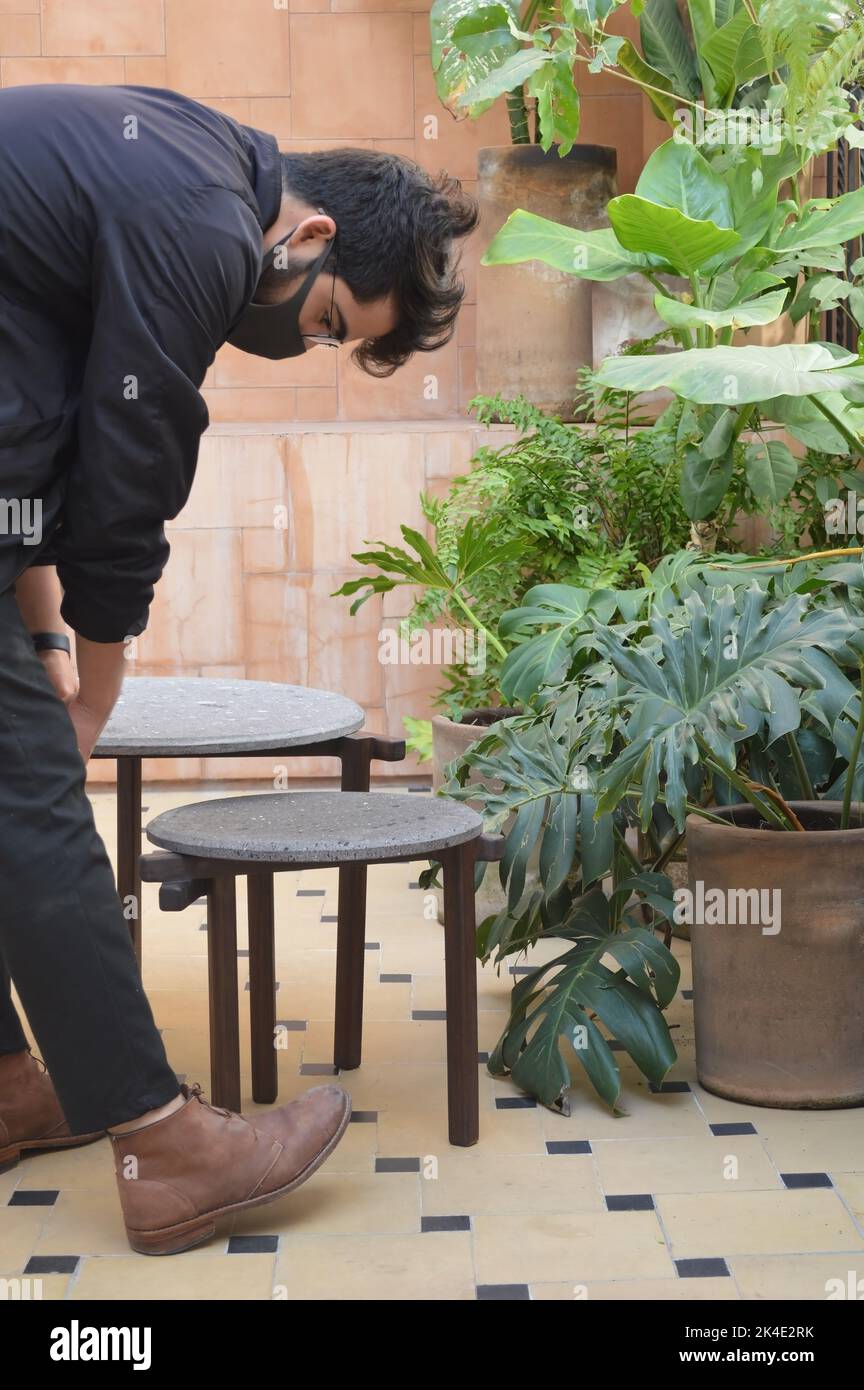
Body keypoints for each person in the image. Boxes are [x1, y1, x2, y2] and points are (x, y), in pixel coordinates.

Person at [0, 82, 478, 1256]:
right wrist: (96, 691)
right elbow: (131, 456)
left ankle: (12, 1082)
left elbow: (28, 416)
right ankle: (165, 1147)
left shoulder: (187, 153)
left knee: (13, 787)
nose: (300, 342)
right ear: (311, 235)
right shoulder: (203, 217)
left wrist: (51, 635)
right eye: (328, 323)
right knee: (33, 798)